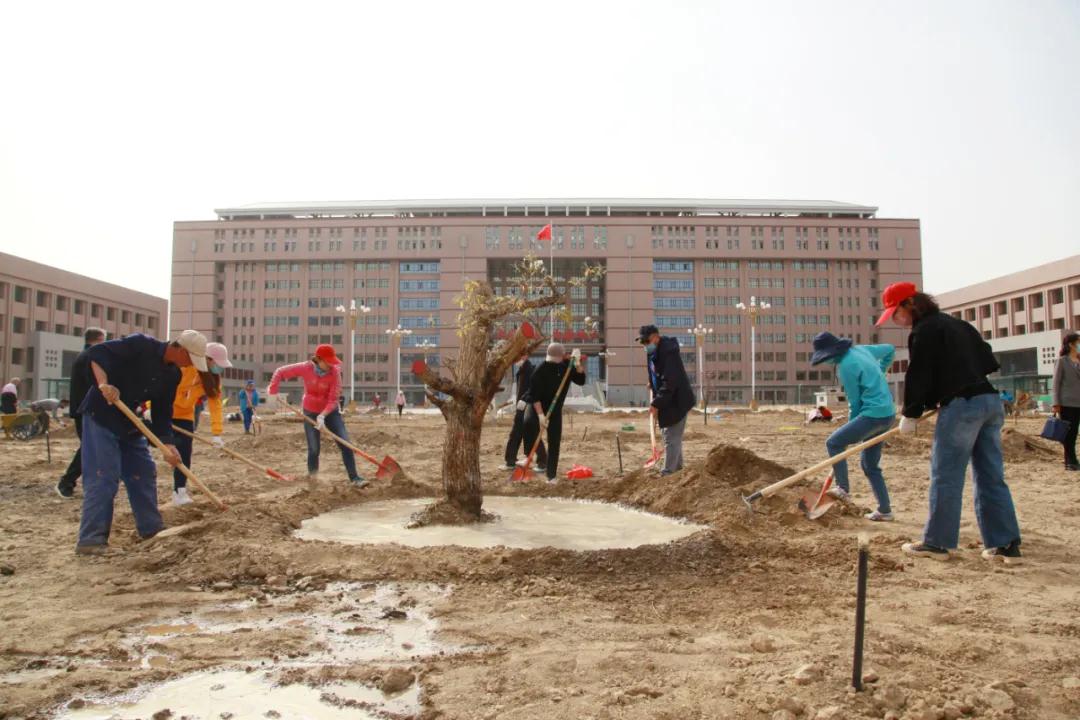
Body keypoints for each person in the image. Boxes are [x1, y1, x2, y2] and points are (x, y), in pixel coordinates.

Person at [877, 282, 1022, 564]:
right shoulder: (958, 324)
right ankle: (1006, 545)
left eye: (895, 312)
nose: (895, 319)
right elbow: (986, 358)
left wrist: (911, 412)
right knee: (991, 475)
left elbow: (920, 372)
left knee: (946, 475)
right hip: (990, 402)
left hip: (963, 408)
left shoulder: (924, 330)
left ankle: (937, 543)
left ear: (910, 304)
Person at [76, 330, 208, 555]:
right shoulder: (141, 344)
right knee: (103, 475)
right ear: (181, 350)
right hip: (102, 415)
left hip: (130, 420)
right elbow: (96, 353)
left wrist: (168, 445)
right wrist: (104, 384)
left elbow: (163, 413)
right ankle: (91, 540)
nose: (189, 365)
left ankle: (151, 529)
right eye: (190, 359)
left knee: (143, 471)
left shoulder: (172, 374)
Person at [810, 331, 897, 521]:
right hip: (888, 414)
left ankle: (842, 488)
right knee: (870, 465)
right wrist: (881, 371)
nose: (826, 362)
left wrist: (851, 427)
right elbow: (890, 349)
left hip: (872, 415)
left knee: (834, 443)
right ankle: (885, 510)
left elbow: (855, 402)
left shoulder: (846, 367)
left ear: (832, 353)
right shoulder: (863, 350)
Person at [267, 344, 367, 487]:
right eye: (328, 361)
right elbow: (280, 372)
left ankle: (355, 478)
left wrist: (323, 415)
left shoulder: (335, 373)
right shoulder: (305, 368)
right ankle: (313, 479)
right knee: (314, 449)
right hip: (310, 412)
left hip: (331, 413)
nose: (331, 365)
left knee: (346, 444)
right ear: (318, 359)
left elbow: (333, 399)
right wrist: (273, 391)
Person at [171, 342, 232, 506]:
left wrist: (217, 433)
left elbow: (216, 405)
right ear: (207, 359)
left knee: (184, 454)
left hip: (185, 415)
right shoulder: (186, 368)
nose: (219, 368)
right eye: (217, 364)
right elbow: (162, 386)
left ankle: (179, 491)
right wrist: (150, 407)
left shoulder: (212, 379)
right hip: (165, 411)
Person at [521, 342, 586, 483]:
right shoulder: (539, 371)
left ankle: (551, 476)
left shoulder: (566, 367)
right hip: (537, 406)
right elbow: (535, 397)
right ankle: (532, 457)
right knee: (528, 426)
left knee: (554, 441)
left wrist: (578, 364)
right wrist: (540, 416)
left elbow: (581, 380)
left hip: (555, 409)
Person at [637, 324, 696, 476]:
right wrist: (652, 382)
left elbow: (670, 382)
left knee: (671, 437)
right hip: (666, 399)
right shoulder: (653, 352)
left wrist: (656, 403)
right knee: (671, 437)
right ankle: (678, 470)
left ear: (656, 338)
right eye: (642, 343)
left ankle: (668, 473)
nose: (645, 345)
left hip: (676, 400)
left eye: (646, 342)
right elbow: (655, 371)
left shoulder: (669, 352)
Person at [503, 352, 547, 470]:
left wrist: (524, 399)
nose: (516, 360)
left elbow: (533, 389)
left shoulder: (531, 370)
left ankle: (542, 462)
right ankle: (511, 461)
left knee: (531, 433)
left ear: (525, 356)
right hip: (521, 407)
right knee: (516, 433)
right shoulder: (521, 371)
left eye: (518, 357)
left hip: (529, 406)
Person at [1052, 331, 1080, 471]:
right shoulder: (1062, 361)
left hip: (1078, 402)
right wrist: (1056, 403)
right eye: (1078, 342)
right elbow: (1056, 383)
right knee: (1069, 433)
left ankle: (1071, 461)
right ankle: (1071, 461)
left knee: (1074, 432)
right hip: (1067, 403)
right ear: (1071, 344)